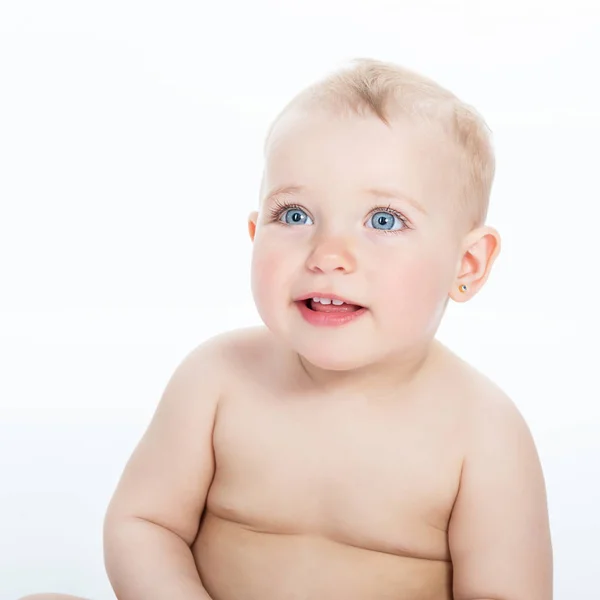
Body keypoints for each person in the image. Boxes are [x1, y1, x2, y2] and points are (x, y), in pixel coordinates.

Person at [21, 58, 553, 600]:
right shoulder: (218, 379)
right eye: (295, 215)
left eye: (384, 220)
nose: (328, 255)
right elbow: (144, 524)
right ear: (255, 233)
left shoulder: (483, 433)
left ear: (467, 264)